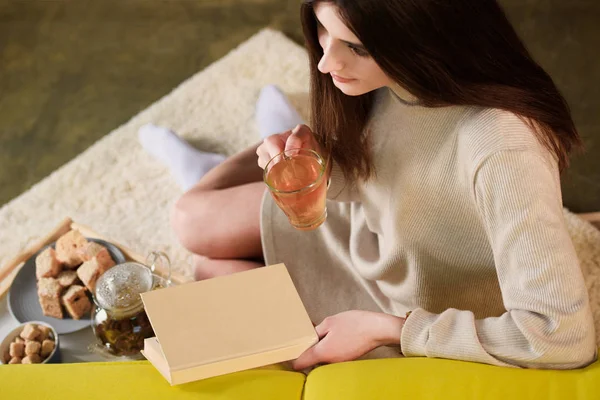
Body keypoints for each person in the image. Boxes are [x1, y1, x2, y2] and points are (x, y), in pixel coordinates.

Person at [141, 0, 597, 370]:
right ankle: (249, 145)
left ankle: (227, 155)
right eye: (323, 31)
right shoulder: (400, 77)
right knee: (188, 220)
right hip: (372, 233)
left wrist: (388, 330)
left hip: (408, 304)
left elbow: (563, 335)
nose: (325, 63)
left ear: (424, 34)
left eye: (355, 47)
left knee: (207, 269)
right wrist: (320, 164)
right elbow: (391, 172)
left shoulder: (502, 146)